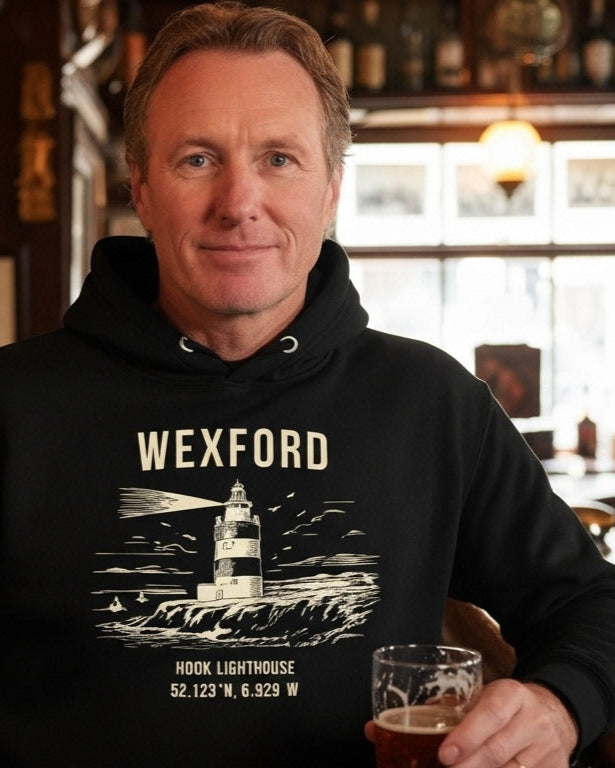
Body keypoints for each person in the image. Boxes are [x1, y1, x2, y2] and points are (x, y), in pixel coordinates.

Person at [1, 3, 614, 767]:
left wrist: (559, 704)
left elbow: (590, 603)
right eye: (197, 158)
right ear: (141, 186)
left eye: (279, 159)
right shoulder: (16, 406)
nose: (239, 204)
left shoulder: (429, 401)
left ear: (329, 190)